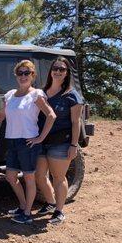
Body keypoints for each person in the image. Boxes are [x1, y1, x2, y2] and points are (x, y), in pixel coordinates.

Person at [0, 60, 56, 225]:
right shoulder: (10, 95)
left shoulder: (36, 95)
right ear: (16, 76)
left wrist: (40, 138)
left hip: (28, 142)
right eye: (20, 73)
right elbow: (0, 117)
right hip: (11, 141)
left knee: (29, 178)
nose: (23, 76)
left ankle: (27, 214)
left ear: (32, 75)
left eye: (27, 73)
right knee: (10, 177)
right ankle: (23, 205)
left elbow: (51, 115)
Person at [35, 57, 84, 224]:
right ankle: (50, 202)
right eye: (55, 68)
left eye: (62, 69)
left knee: (58, 177)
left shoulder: (72, 96)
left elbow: (75, 122)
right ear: (50, 71)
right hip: (41, 141)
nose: (57, 71)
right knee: (40, 175)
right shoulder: (42, 92)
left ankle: (59, 211)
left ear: (66, 73)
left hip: (61, 142)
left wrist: (73, 145)